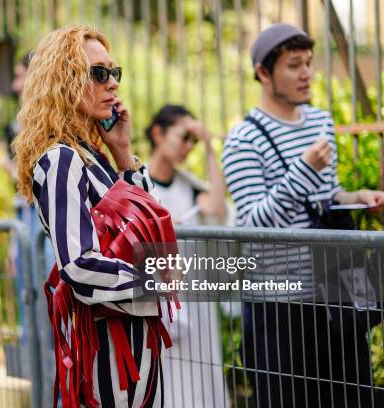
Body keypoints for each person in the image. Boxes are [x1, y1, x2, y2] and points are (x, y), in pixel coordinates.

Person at [222, 23, 384, 407]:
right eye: (294, 65)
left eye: (309, 63)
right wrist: (304, 170)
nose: (307, 73)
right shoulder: (244, 139)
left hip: (333, 294)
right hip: (279, 307)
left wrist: (356, 197)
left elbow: (324, 196)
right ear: (264, 72)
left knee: (351, 395)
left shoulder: (320, 122)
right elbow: (253, 225)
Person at [12, 24, 172, 406]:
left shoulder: (94, 157)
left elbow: (151, 224)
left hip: (135, 338)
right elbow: (79, 266)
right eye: (98, 73)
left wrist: (122, 152)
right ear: (64, 80)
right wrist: (152, 283)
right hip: (106, 348)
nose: (112, 84)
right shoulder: (60, 159)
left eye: (113, 72)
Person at [146, 104, 230, 407]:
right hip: (158, 301)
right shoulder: (140, 185)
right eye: (184, 137)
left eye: (192, 140)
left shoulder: (189, 186)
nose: (188, 147)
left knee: (201, 378)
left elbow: (217, 209)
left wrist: (208, 146)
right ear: (158, 134)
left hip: (195, 301)